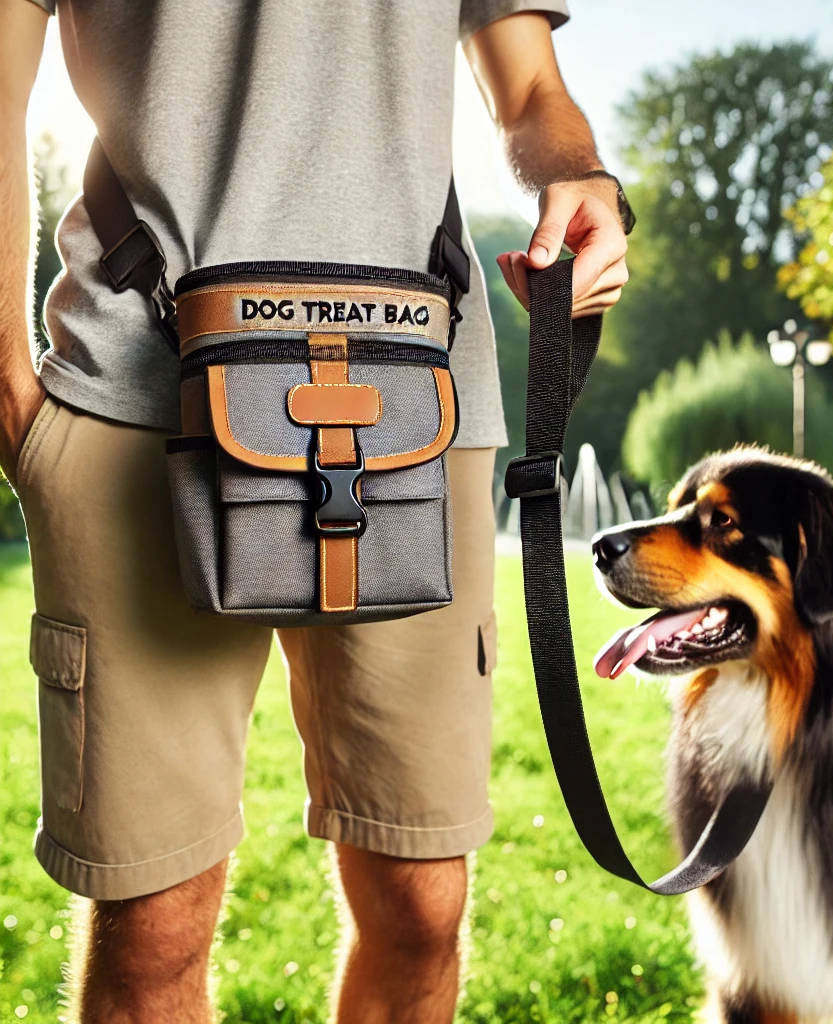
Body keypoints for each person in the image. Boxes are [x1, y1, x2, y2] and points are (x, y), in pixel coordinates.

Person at [0, 0, 630, 1020]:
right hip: (134, 399)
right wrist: (10, 385)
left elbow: (530, 92)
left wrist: (580, 174)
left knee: (422, 895)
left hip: (421, 403)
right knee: (152, 922)